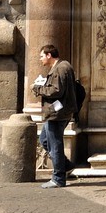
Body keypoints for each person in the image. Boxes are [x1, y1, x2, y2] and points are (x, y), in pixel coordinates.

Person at [32, 44, 80, 189]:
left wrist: (37, 88)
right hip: (58, 112)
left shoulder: (60, 68)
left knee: (55, 144)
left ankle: (58, 178)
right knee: (44, 140)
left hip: (57, 113)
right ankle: (66, 166)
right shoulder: (62, 67)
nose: (40, 60)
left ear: (48, 55)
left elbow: (56, 91)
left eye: (41, 56)